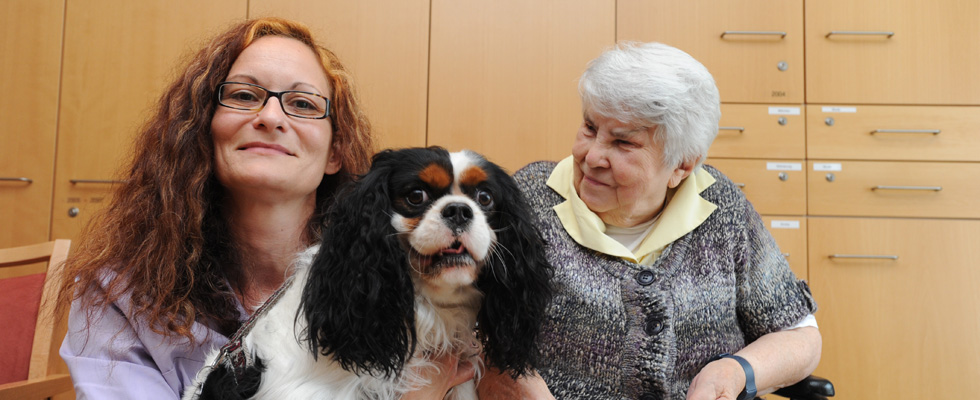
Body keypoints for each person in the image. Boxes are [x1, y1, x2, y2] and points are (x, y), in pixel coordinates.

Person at [56, 17, 472, 400]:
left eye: (304, 104)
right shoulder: (119, 294)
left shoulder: (420, 277)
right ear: (202, 130)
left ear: (335, 151)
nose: (271, 117)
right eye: (243, 95)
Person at [487, 42, 821, 399]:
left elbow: (799, 336)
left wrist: (733, 371)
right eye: (589, 127)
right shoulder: (527, 200)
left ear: (682, 166)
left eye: (623, 143)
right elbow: (474, 334)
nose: (593, 155)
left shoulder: (721, 207)